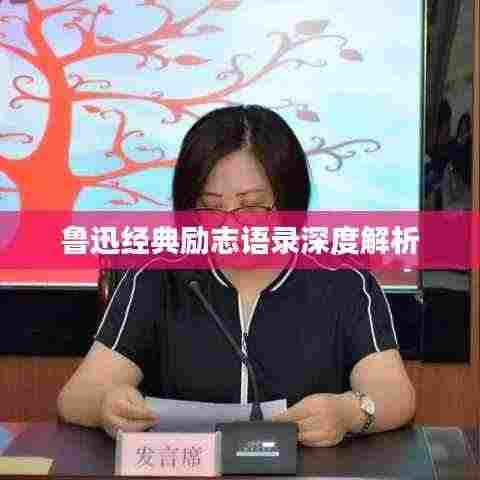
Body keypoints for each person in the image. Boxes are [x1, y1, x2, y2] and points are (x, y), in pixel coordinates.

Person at [57, 105, 416, 447]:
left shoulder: (342, 279)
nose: (230, 225)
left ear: (289, 202)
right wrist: (107, 406)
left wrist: (348, 413)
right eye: (211, 207)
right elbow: (76, 398)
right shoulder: (158, 277)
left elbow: (394, 394)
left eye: (251, 205)